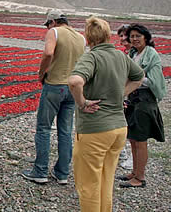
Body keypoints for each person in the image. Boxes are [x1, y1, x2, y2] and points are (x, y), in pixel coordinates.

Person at [68, 17, 144, 211]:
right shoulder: (120, 56)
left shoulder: (91, 57)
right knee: (105, 180)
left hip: (95, 129)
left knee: (88, 185)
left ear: (88, 36)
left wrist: (82, 103)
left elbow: (75, 81)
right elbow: (139, 76)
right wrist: (121, 94)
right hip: (118, 128)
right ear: (108, 34)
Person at [21, 9, 86, 184]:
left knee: (43, 128)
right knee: (65, 130)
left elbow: (48, 53)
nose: (47, 28)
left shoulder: (54, 32)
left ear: (53, 22)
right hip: (73, 87)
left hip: (55, 85)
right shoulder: (81, 37)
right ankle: (62, 173)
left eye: (47, 25)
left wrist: (42, 73)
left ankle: (40, 170)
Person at [118, 23, 166, 188]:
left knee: (141, 139)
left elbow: (152, 81)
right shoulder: (133, 53)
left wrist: (136, 79)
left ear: (146, 37)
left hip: (145, 100)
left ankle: (140, 177)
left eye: (138, 36)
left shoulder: (151, 54)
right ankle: (134, 172)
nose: (134, 39)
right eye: (132, 36)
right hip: (133, 99)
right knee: (133, 137)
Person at [117, 24, 133, 167]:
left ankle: (132, 158)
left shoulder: (138, 53)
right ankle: (122, 150)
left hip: (133, 94)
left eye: (125, 35)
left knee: (132, 124)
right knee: (122, 121)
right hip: (123, 93)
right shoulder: (125, 53)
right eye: (121, 36)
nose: (123, 38)